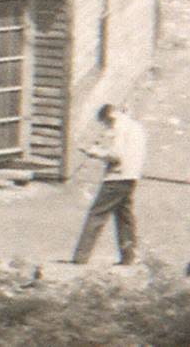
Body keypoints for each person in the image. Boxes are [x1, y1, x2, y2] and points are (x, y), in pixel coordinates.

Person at [71, 103, 147, 265]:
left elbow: (116, 155)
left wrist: (94, 152)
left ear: (110, 116)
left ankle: (81, 256)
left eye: (106, 123)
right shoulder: (136, 127)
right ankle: (129, 256)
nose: (107, 127)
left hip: (116, 177)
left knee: (97, 214)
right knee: (124, 217)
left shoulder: (119, 127)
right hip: (132, 176)